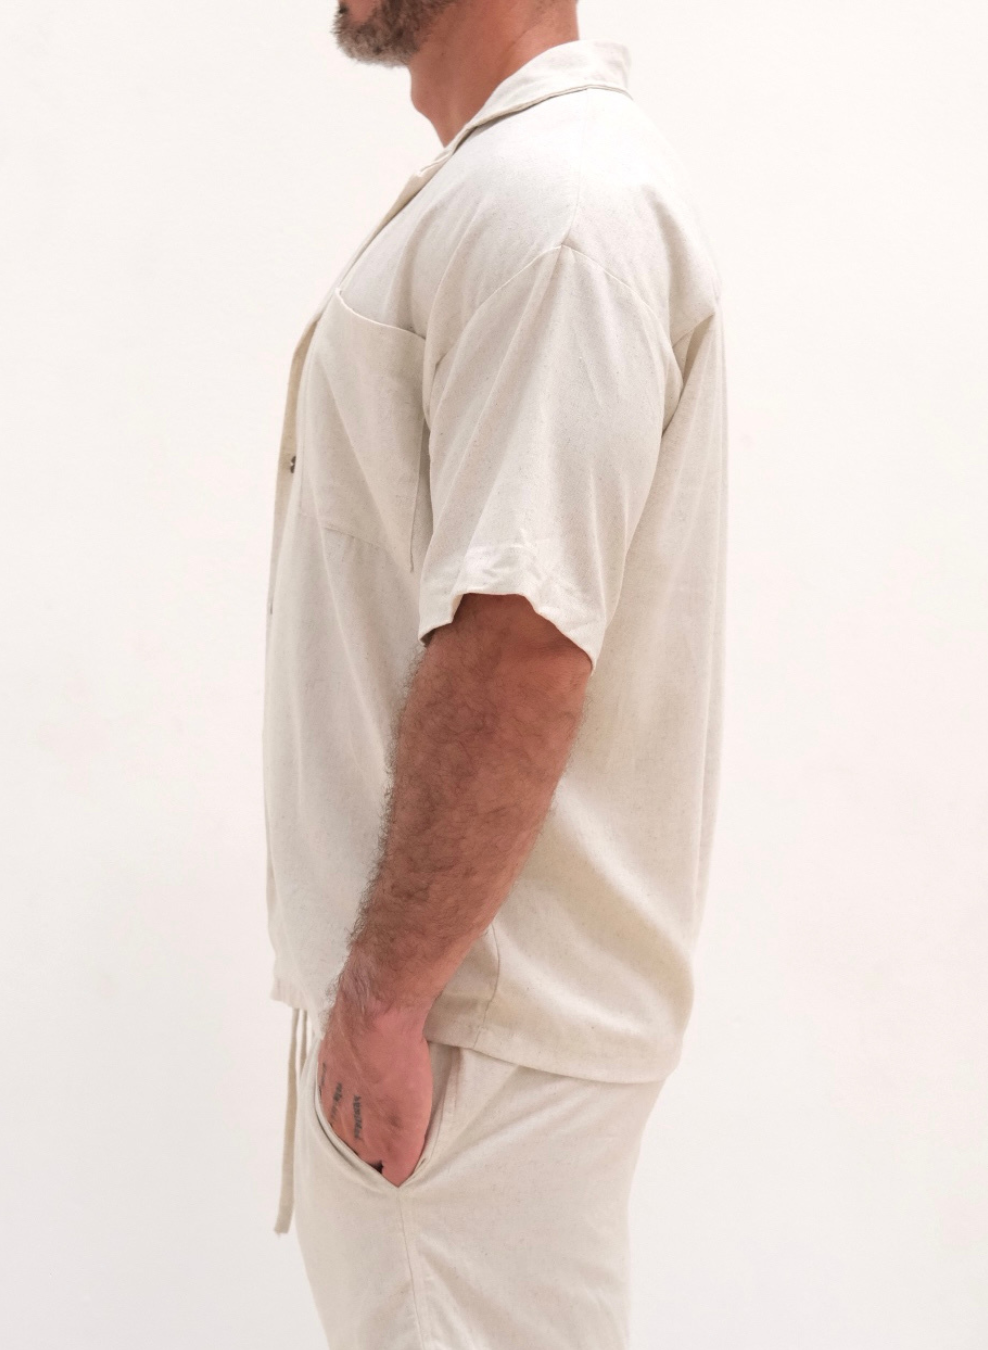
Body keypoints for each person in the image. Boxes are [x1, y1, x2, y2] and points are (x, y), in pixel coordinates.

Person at [264, 0, 728, 1345]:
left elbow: (519, 643)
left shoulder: (556, 211)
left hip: (466, 1041)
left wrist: (388, 994)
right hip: (464, 1025)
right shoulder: (519, 190)